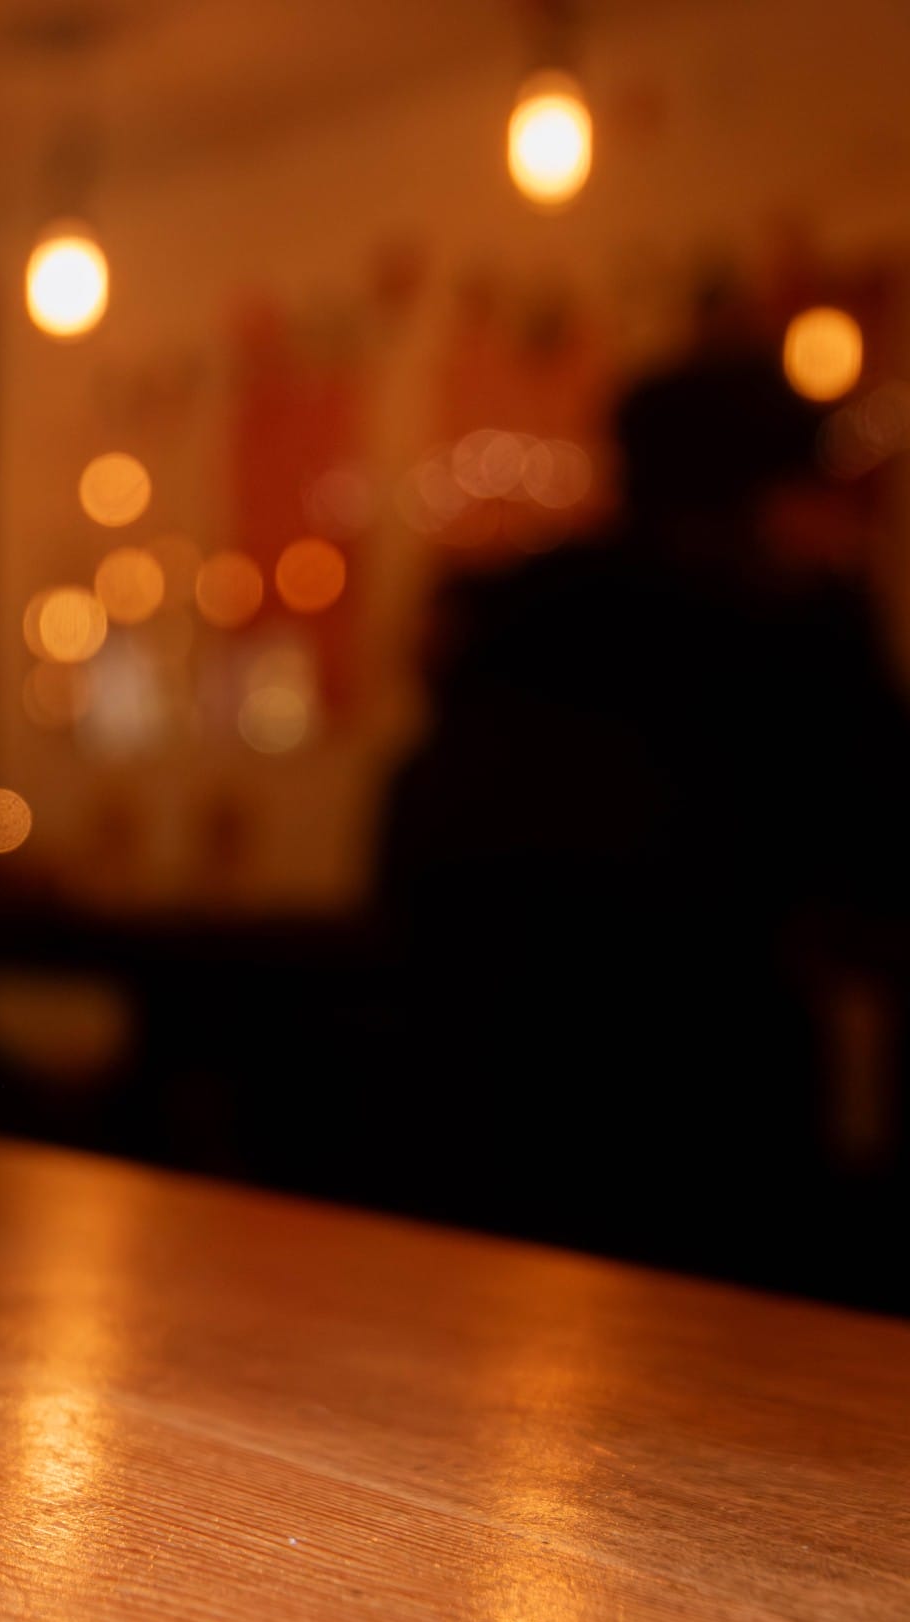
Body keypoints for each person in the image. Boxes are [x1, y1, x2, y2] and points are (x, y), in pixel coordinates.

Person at [378, 349, 910, 1301]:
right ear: (760, 493)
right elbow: (877, 864)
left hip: (473, 1137)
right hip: (710, 1148)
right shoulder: (788, 643)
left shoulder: (506, 622)